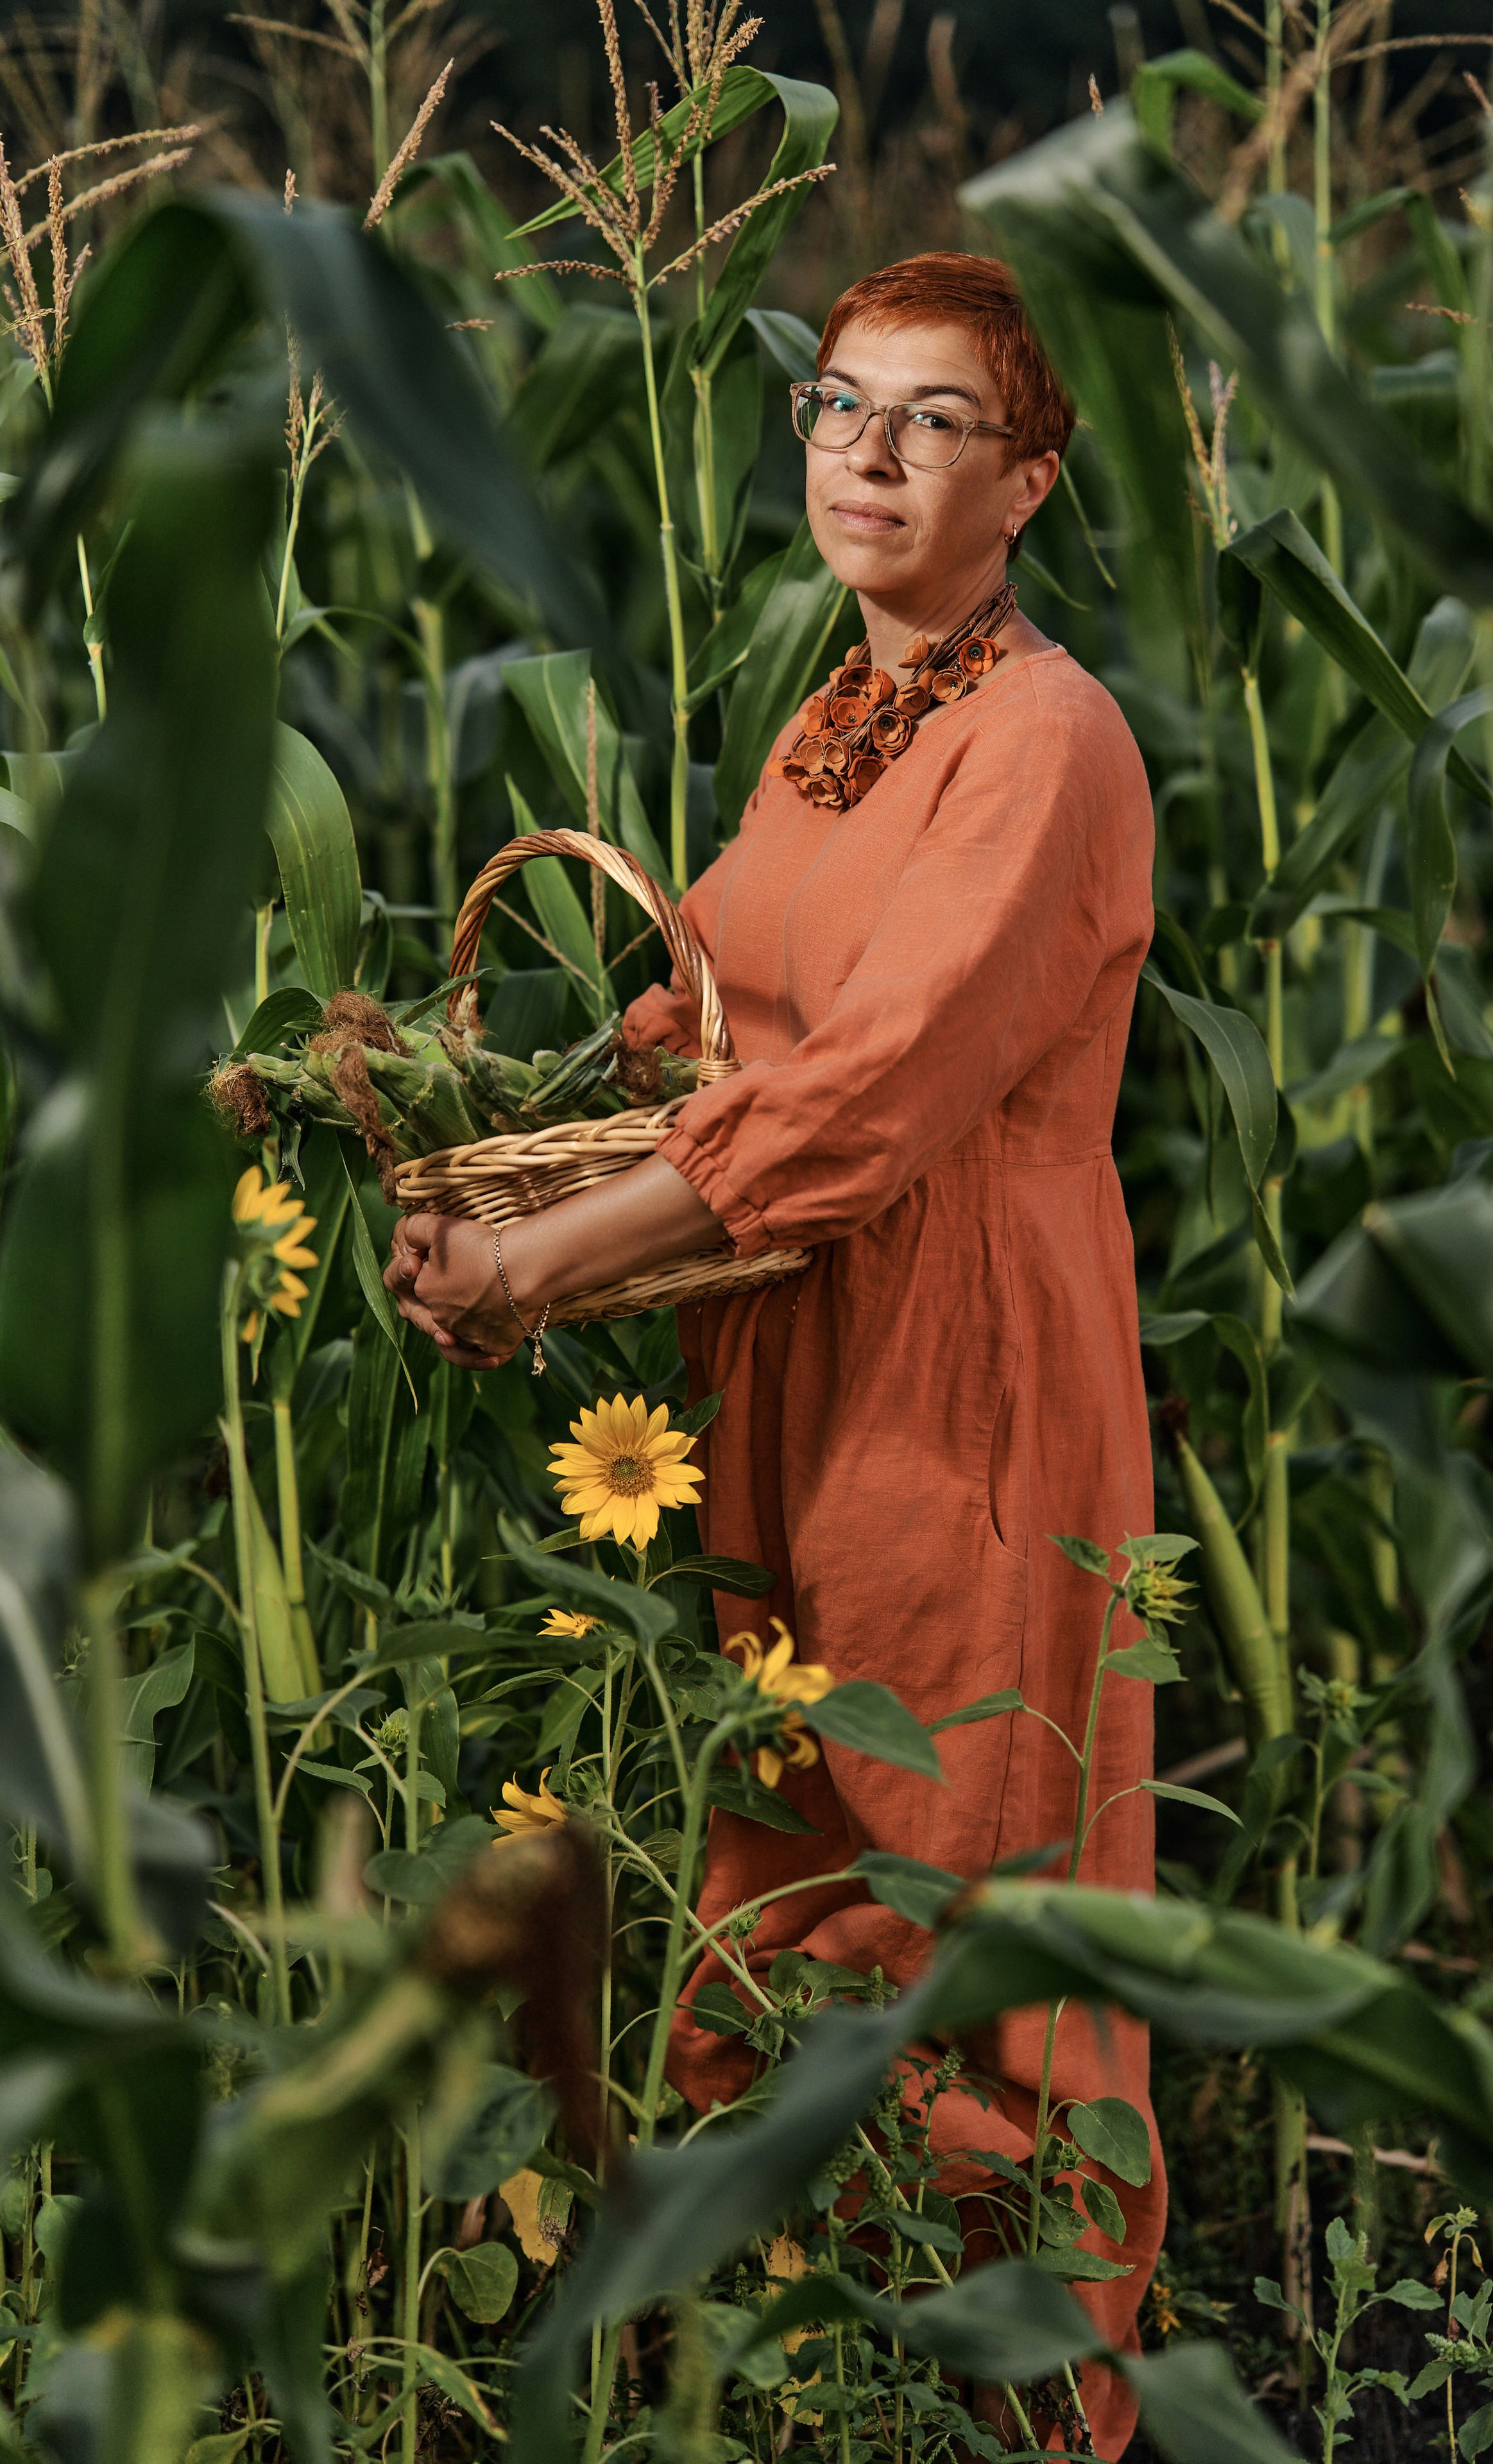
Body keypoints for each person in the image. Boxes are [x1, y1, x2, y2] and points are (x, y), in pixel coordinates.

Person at [387, 251, 1163, 2454]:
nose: (871, 456)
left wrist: (551, 1270)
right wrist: (474, 1151)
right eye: (838, 406)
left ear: (1028, 479)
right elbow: (713, 1020)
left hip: (966, 1359)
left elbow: (870, 1095)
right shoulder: (843, 719)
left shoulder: (1044, 737)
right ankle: (820, 2380)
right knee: (788, 1857)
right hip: (782, 1327)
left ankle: (1036, 2418)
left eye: (934, 421)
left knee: (975, 1857)